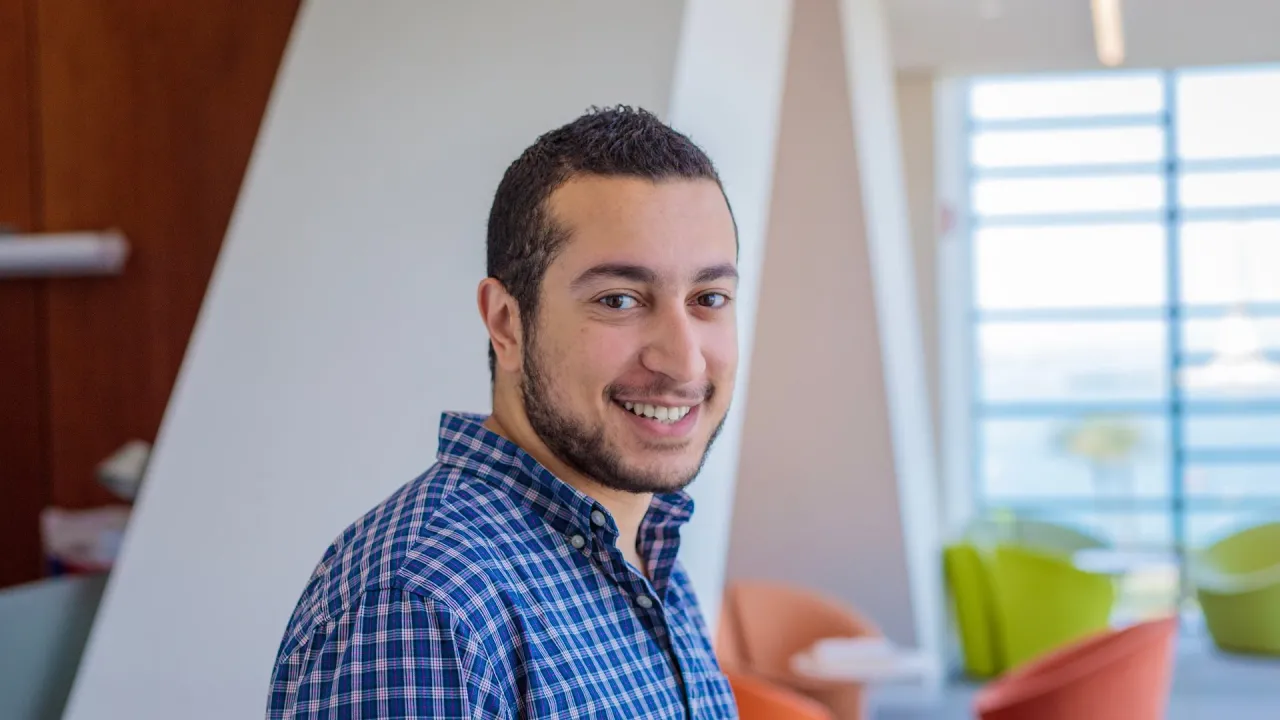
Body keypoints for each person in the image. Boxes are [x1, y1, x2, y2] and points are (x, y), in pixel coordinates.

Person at [266, 106, 741, 718]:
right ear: (506, 323)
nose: (683, 361)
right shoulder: (422, 602)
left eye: (709, 298)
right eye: (619, 300)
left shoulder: (646, 543)